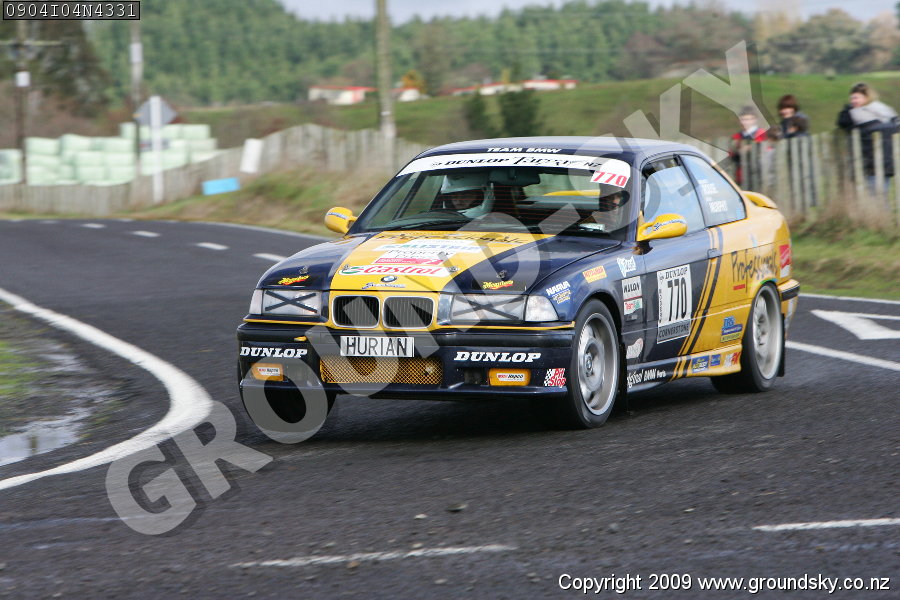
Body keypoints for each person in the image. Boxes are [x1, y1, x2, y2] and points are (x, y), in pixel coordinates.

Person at [837, 82, 899, 193]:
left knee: (877, 194)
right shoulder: (854, 114)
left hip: (878, 161)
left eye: (856, 98)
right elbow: (843, 122)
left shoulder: (867, 115)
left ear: (866, 97)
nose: (853, 101)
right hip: (871, 161)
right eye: (851, 98)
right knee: (876, 193)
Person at [729, 106, 771, 186]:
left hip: (759, 175)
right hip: (741, 176)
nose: (745, 122)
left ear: (754, 120)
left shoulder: (762, 134)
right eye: (743, 119)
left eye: (748, 119)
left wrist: (751, 148)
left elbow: (767, 152)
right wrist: (738, 151)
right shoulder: (736, 137)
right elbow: (731, 155)